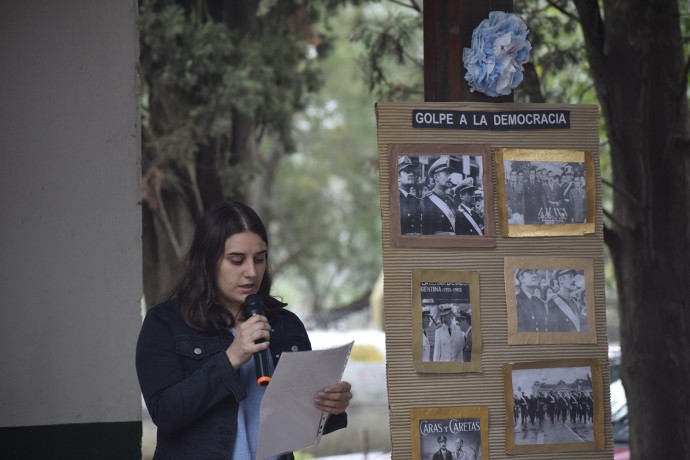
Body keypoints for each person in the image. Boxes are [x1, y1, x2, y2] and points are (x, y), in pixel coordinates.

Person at [136, 201, 352, 460]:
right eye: (237, 260)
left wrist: (330, 407)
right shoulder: (165, 322)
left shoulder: (286, 325)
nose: (251, 272)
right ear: (206, 262)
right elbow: (166, 414)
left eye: (259, 259)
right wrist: (232, 357)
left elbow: (299, 421)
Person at [421, 157, 457, 235]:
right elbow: (427, 233)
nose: (450, 177)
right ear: (436, 177)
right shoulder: (427, 201)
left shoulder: (450, 200)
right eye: (446, 174)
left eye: (450, 174)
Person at [398, 156, 422, 234]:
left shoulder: (415, 200)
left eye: (412, 171)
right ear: (398, 177)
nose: (411, 174)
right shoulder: (394, 200)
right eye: (407, 171)